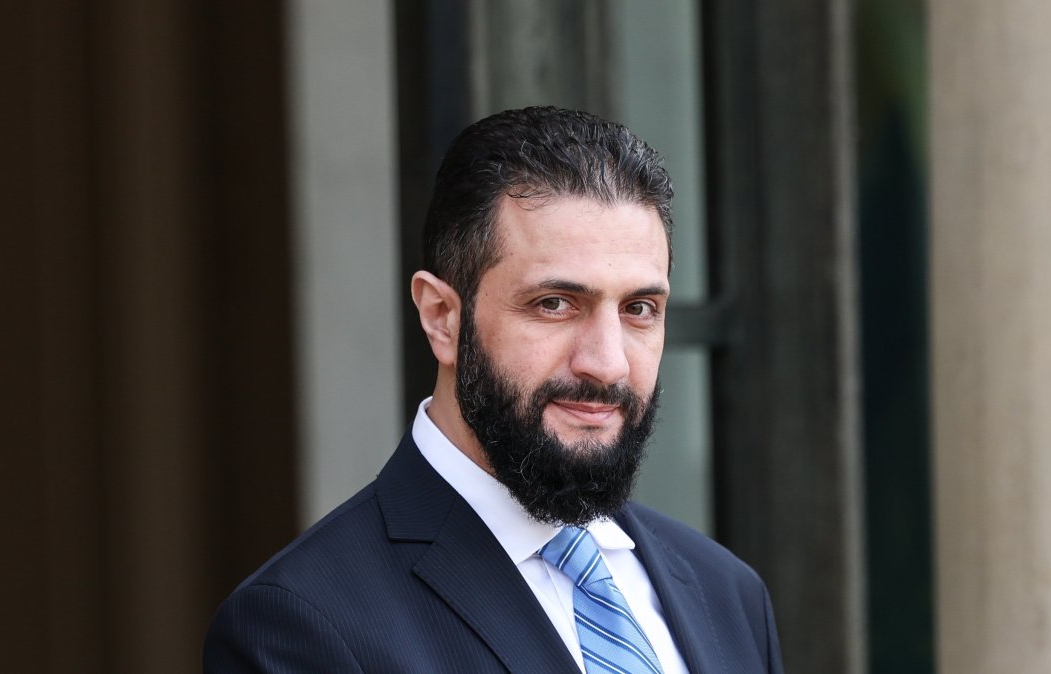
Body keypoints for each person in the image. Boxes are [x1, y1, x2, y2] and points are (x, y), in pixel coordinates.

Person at [204, 106, 784, 674]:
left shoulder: (727, 594)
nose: (607, 365)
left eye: (639, 309)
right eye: (554, 304)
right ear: (441, 317)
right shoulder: (303, 626)